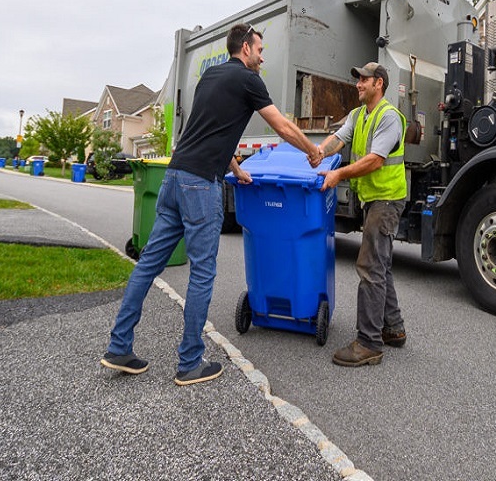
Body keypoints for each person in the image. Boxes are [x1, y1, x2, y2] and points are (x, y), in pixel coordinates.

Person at [101, 23, 322, 385]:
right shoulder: (250, 80)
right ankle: (190, 362)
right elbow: (281, 126)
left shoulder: (209, 76)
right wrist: (313, 150)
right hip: (200, 185)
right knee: (203, 272)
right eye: (260, 49)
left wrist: (235, 167)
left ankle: (118, 346)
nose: (263, 57)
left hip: (174, 178)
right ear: (246, 48)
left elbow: (206, 130)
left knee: (148, 265)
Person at [318, 61, 407, 367]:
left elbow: (374, 161)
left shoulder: (388, 117)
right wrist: (318, 152)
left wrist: (338, 174)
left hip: (387, 200)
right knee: (381, 264)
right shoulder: (359, 115)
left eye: (364, 80)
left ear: (378, 83)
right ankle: (393, 328)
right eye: (357, 79)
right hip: (373, 200)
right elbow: (338, 139)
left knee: (369, 267)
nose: (358, 84)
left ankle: (369, 342)